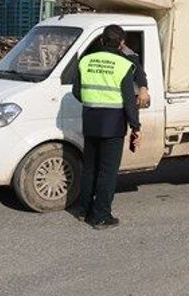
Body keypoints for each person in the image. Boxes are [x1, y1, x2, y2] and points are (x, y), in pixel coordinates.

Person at [72, 24, 141, 230]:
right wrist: (135, 126)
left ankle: (84, 210)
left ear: (102, 40)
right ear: (121, 44)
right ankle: (101, 216)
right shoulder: (123, 64)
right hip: (113, 124)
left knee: (90, 169)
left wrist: (93, 102)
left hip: (91, 120)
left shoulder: (85, 61)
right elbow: (129, 101)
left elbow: (77, 92)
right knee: (107, 172)